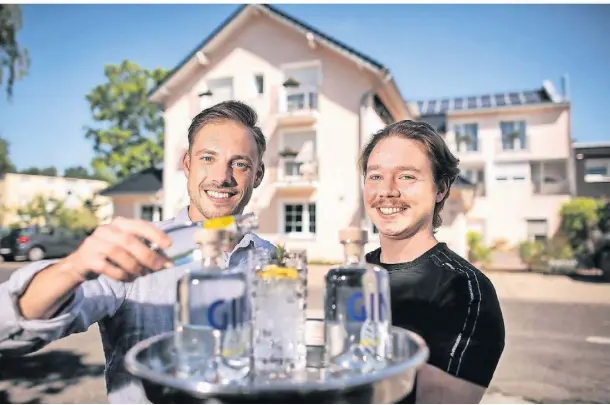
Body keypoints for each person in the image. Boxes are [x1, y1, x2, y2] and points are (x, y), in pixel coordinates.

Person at [0, 101, 276, 403]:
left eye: (240, 164)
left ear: (258, 175)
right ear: (187, 165)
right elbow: (12, 331)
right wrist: (74, 267)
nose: (222, 176)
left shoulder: (270, 259)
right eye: (208, 158)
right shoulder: (138, 249)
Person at [359, 120, 505, 403]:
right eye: (375, 176)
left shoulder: (465, 290)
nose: (387, 190)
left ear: (441, 188)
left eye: (407, 177)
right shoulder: (354, 276)